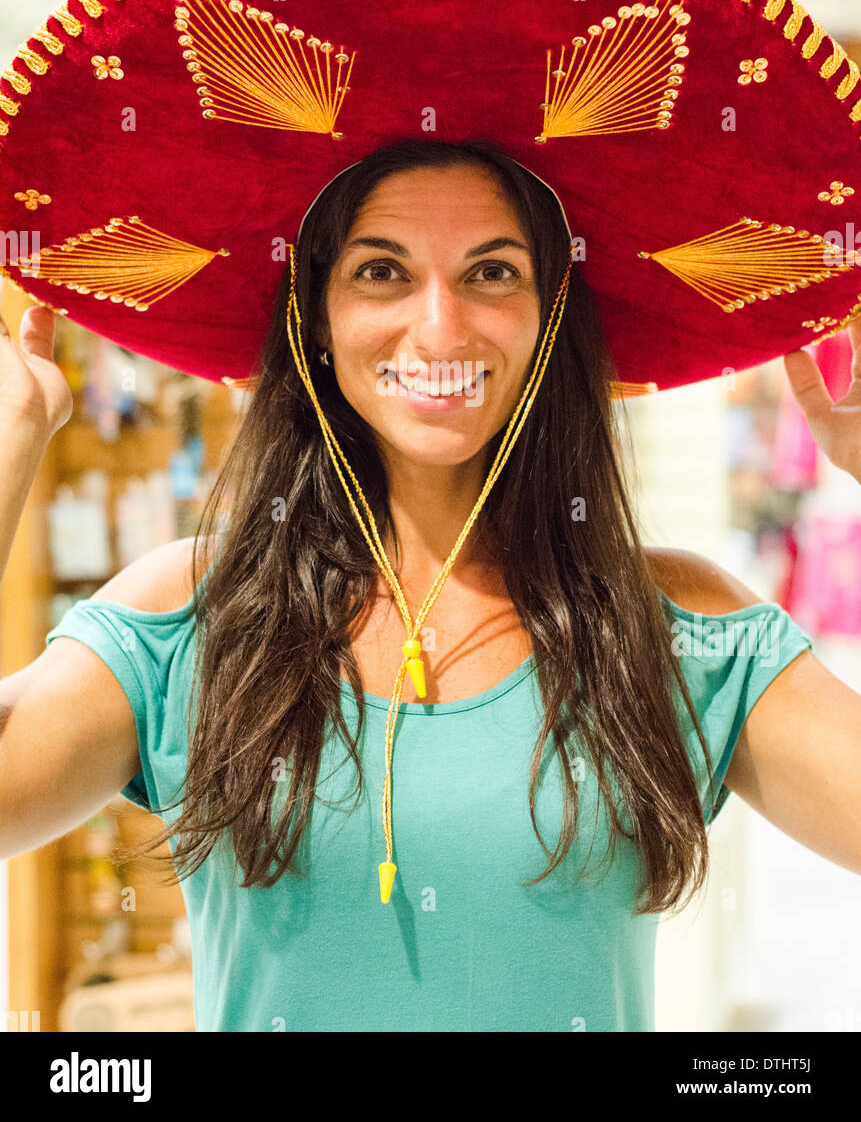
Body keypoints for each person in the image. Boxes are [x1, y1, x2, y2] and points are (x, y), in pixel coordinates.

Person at [2, 136, 860, 1033]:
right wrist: (10, 440)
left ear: (548, 316)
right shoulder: (193, 615)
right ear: (317, 318)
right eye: (381, 271)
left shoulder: (678, 629)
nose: (442, 328)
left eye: (492, 272)